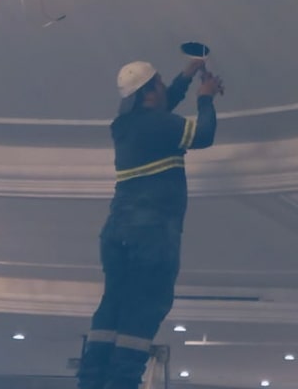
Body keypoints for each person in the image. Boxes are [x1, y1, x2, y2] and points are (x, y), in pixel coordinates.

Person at [77, 56, 225, 389]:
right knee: (145, 304)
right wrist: (205, 98)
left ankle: (92, 380)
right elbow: (203, 135)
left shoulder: (122, 126)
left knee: (114, 303)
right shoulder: (160, 126)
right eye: (159, 83)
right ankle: (120, 382)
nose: (163, 88)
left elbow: (160, 107)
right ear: (149, 91)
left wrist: (186, 76)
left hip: (117, 230)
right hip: (152, 231)